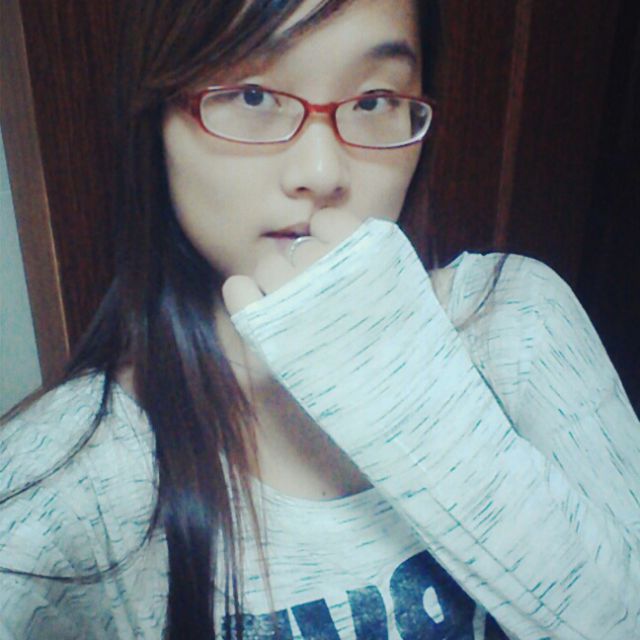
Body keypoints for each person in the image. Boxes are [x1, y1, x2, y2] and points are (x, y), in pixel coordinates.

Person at [1, 0, 638, 638]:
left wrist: (409, 395)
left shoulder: (514, 321)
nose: (322, 172)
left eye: (373, 101)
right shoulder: (77, 471)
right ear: (155, 121)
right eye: (253, 96)